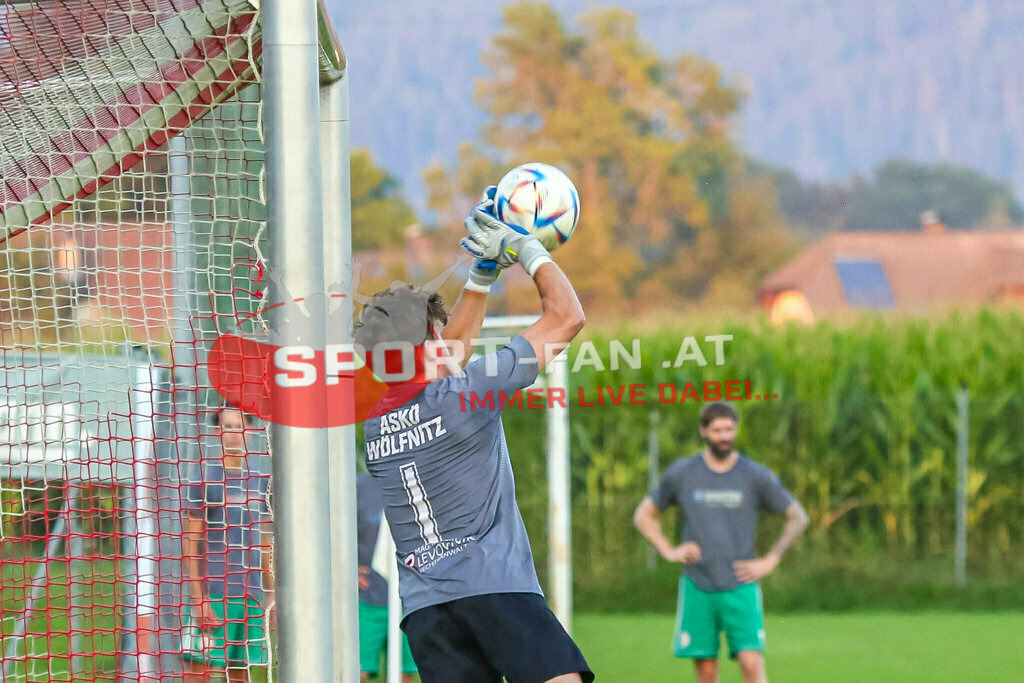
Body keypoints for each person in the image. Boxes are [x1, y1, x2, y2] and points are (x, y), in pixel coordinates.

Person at [353, 190, 593, 682]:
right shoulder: (468, 396)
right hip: (494, 588)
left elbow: (446, 359)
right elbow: (567, 317)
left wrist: (481, 274)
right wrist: (527, 247)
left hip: (426, 614)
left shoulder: (375, 420)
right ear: (427, 346)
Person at [633, 402, 808, 683]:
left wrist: (770, 559)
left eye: (729, 429)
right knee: (706, 670)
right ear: (704, 431)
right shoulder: (683, 473)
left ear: (736, 430)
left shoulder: (754, 475)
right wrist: (668, 549)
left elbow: (798, 516)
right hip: (698, 584)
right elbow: (643, 515)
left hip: (741, 584)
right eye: (717, 430)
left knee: (751, 664)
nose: (724, 436)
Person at [181, 405, 273, 683]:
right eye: (227, 427)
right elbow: (191, 543)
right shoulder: (204, 480)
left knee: (241, 674)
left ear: (250, 431)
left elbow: (264, 542)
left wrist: (270, 594)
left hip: (250, 597)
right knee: (201, 672)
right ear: (216, 432)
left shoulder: (261, 481)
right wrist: (198, 599)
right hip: (214, 594)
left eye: (238, 426)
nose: (234, 433)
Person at [357, 472, 418, 682]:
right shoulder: (360, 487)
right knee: (356, 670)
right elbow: (336, 529)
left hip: (410, 599)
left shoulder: (421, 482)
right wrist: (347, 568)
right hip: (366, 597)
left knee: (403, 673)